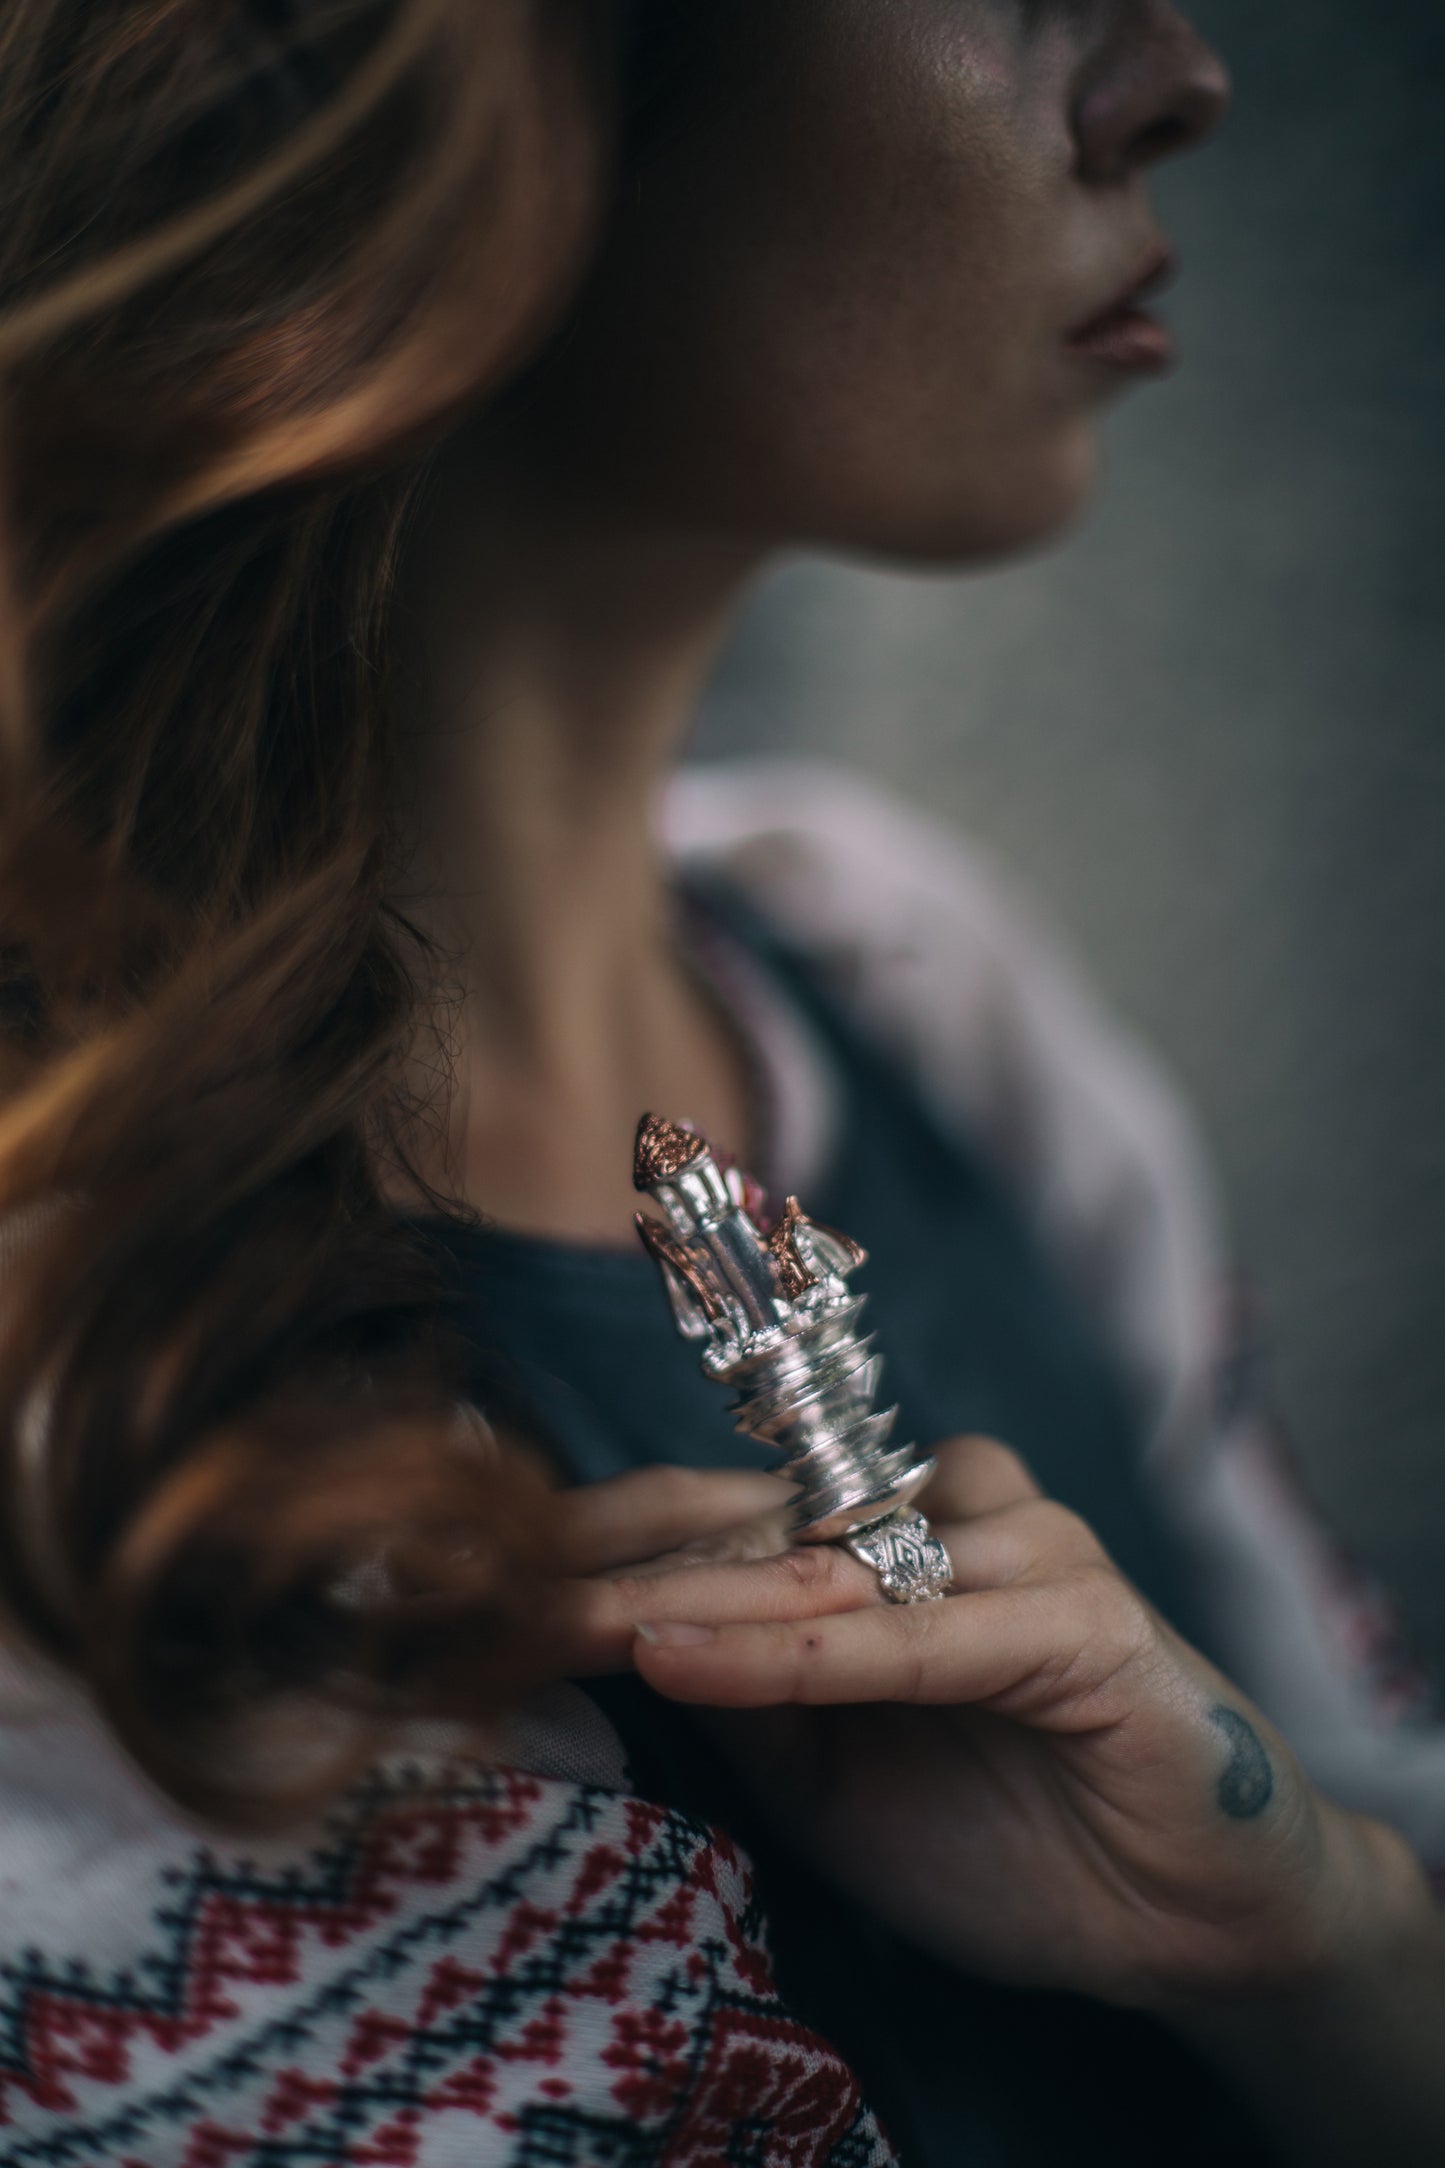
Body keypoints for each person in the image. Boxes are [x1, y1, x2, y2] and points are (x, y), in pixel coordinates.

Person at [0, 3, 1441, 2163]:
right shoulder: (70, 1323)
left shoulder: (916, 981)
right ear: (502, 79)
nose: (1182, 74)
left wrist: (1309, 1931)